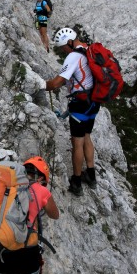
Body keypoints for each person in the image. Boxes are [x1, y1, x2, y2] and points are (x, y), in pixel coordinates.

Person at [42, 28, 99, 196]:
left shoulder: (73, 56)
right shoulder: (89, 49)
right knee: (87, 136)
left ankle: (76, 181)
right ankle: (91, 174)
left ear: (69, 42)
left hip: (80, 104)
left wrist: (42, 84)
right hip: (94, 102)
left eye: (62, 48)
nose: (62, 52)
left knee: (77, 143)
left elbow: (57, 83)